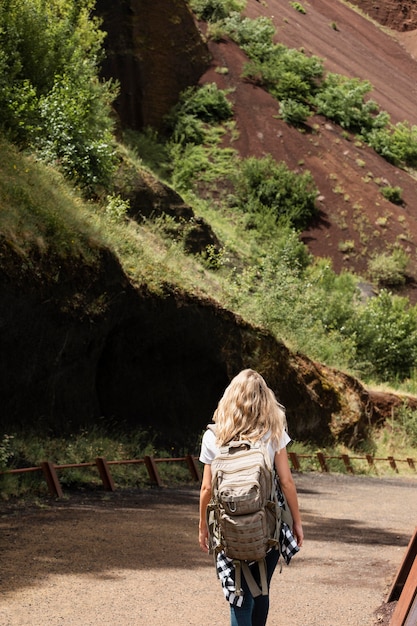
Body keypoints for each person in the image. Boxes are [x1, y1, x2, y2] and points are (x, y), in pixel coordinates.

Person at [199, 369, 304, 626]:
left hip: (228, 525)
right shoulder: (273, 432)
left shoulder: (214, 435)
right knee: (261, 587)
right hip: (268, 525)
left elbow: (206, 489)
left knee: (239, 596)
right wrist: (297, 522)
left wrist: (203, 526)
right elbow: (287, 482)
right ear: (265, 400)